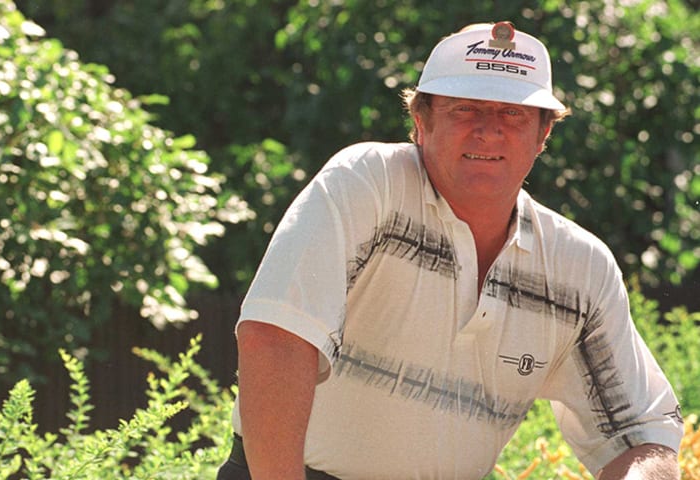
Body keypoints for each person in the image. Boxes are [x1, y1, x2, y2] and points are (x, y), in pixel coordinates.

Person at [217, 22, 684, 479]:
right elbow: (275, 337)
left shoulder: (580, 268)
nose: (488, 130)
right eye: (465, 109)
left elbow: (642, 433)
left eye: (513, 114)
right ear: (421, 121)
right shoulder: (368, 184)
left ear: (544, 135)